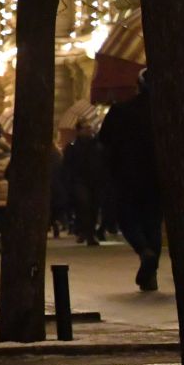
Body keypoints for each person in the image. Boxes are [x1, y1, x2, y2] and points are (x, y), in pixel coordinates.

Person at [99, 70, 161, 291]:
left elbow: (104, 141)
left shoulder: (121, 111)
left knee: (128, 218)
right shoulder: (164, 112)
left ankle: (144, 250)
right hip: (156, 176)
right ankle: (150, 272)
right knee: (152, 220)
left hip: (126, 176)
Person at [61, 120, 105, 246]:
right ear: (79, 130)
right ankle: (86, 233)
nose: (89, 130)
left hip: (94, 181)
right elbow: (67, 166)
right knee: (83, 206)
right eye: (86, 128)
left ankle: (87, 232)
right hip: (79, 181)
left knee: (93, 207)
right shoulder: (73, 147)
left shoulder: (96, 145)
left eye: (89, 128)